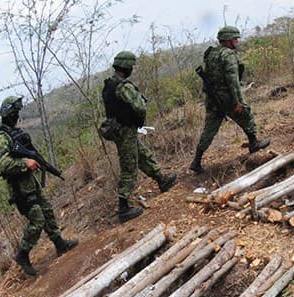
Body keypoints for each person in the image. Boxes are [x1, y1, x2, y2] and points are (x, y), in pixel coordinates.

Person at [0, 96, 78, 276]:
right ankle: (23, 254)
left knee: (47, 211)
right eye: (15, 112)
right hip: (20, 190)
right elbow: (3, 164)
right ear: (8, 114)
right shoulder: (1, 138)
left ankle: (60, 244)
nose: (17, 116)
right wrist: (25, 163)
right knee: (37, 220)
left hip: (31, 185)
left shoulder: (15, 132)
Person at [102, 51, 177, 222]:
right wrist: (141, 107)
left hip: (119, 129)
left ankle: (162, 179)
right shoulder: (123, 86)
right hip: (125, 130)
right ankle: (123, 208)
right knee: (129, 166)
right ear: (126, 66)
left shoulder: (109, 84)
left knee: (142, 155)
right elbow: (140, 107)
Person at [190, 26, 270, 174]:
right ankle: (254, 143)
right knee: (246, 114)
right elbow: (233, 81)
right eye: (235, 38)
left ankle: (196, 161)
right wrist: (238, 101)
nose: (237, 41)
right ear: (227, 40)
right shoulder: (228, 55)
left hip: (212, 98)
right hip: (227, 97)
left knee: (209, 129)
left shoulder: (211, 53)